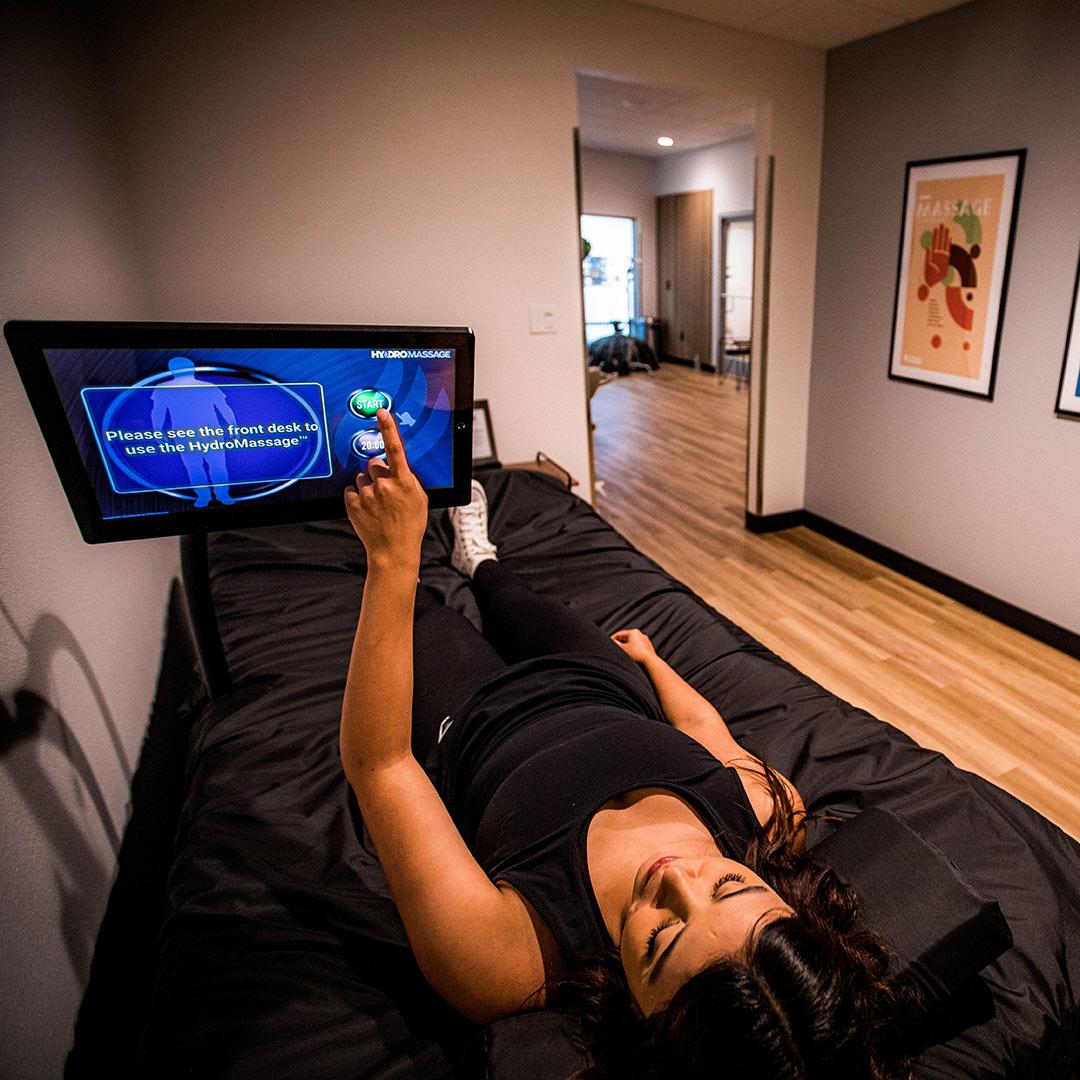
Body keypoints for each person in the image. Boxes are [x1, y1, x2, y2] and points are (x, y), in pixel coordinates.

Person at [340, 410, 913, 1079]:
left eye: (661, 939)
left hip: (472, 720)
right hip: (601, 680)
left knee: (420, 614)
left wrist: (390, 558)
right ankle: (479, 559)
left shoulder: (508, 962)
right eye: (729, 886)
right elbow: (706, 733)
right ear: (788, 906)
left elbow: (381, 767)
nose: (674, 878)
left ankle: (415, 568)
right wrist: (653, 663)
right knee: (509, 595)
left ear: (640, 1021)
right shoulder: (768, 814)